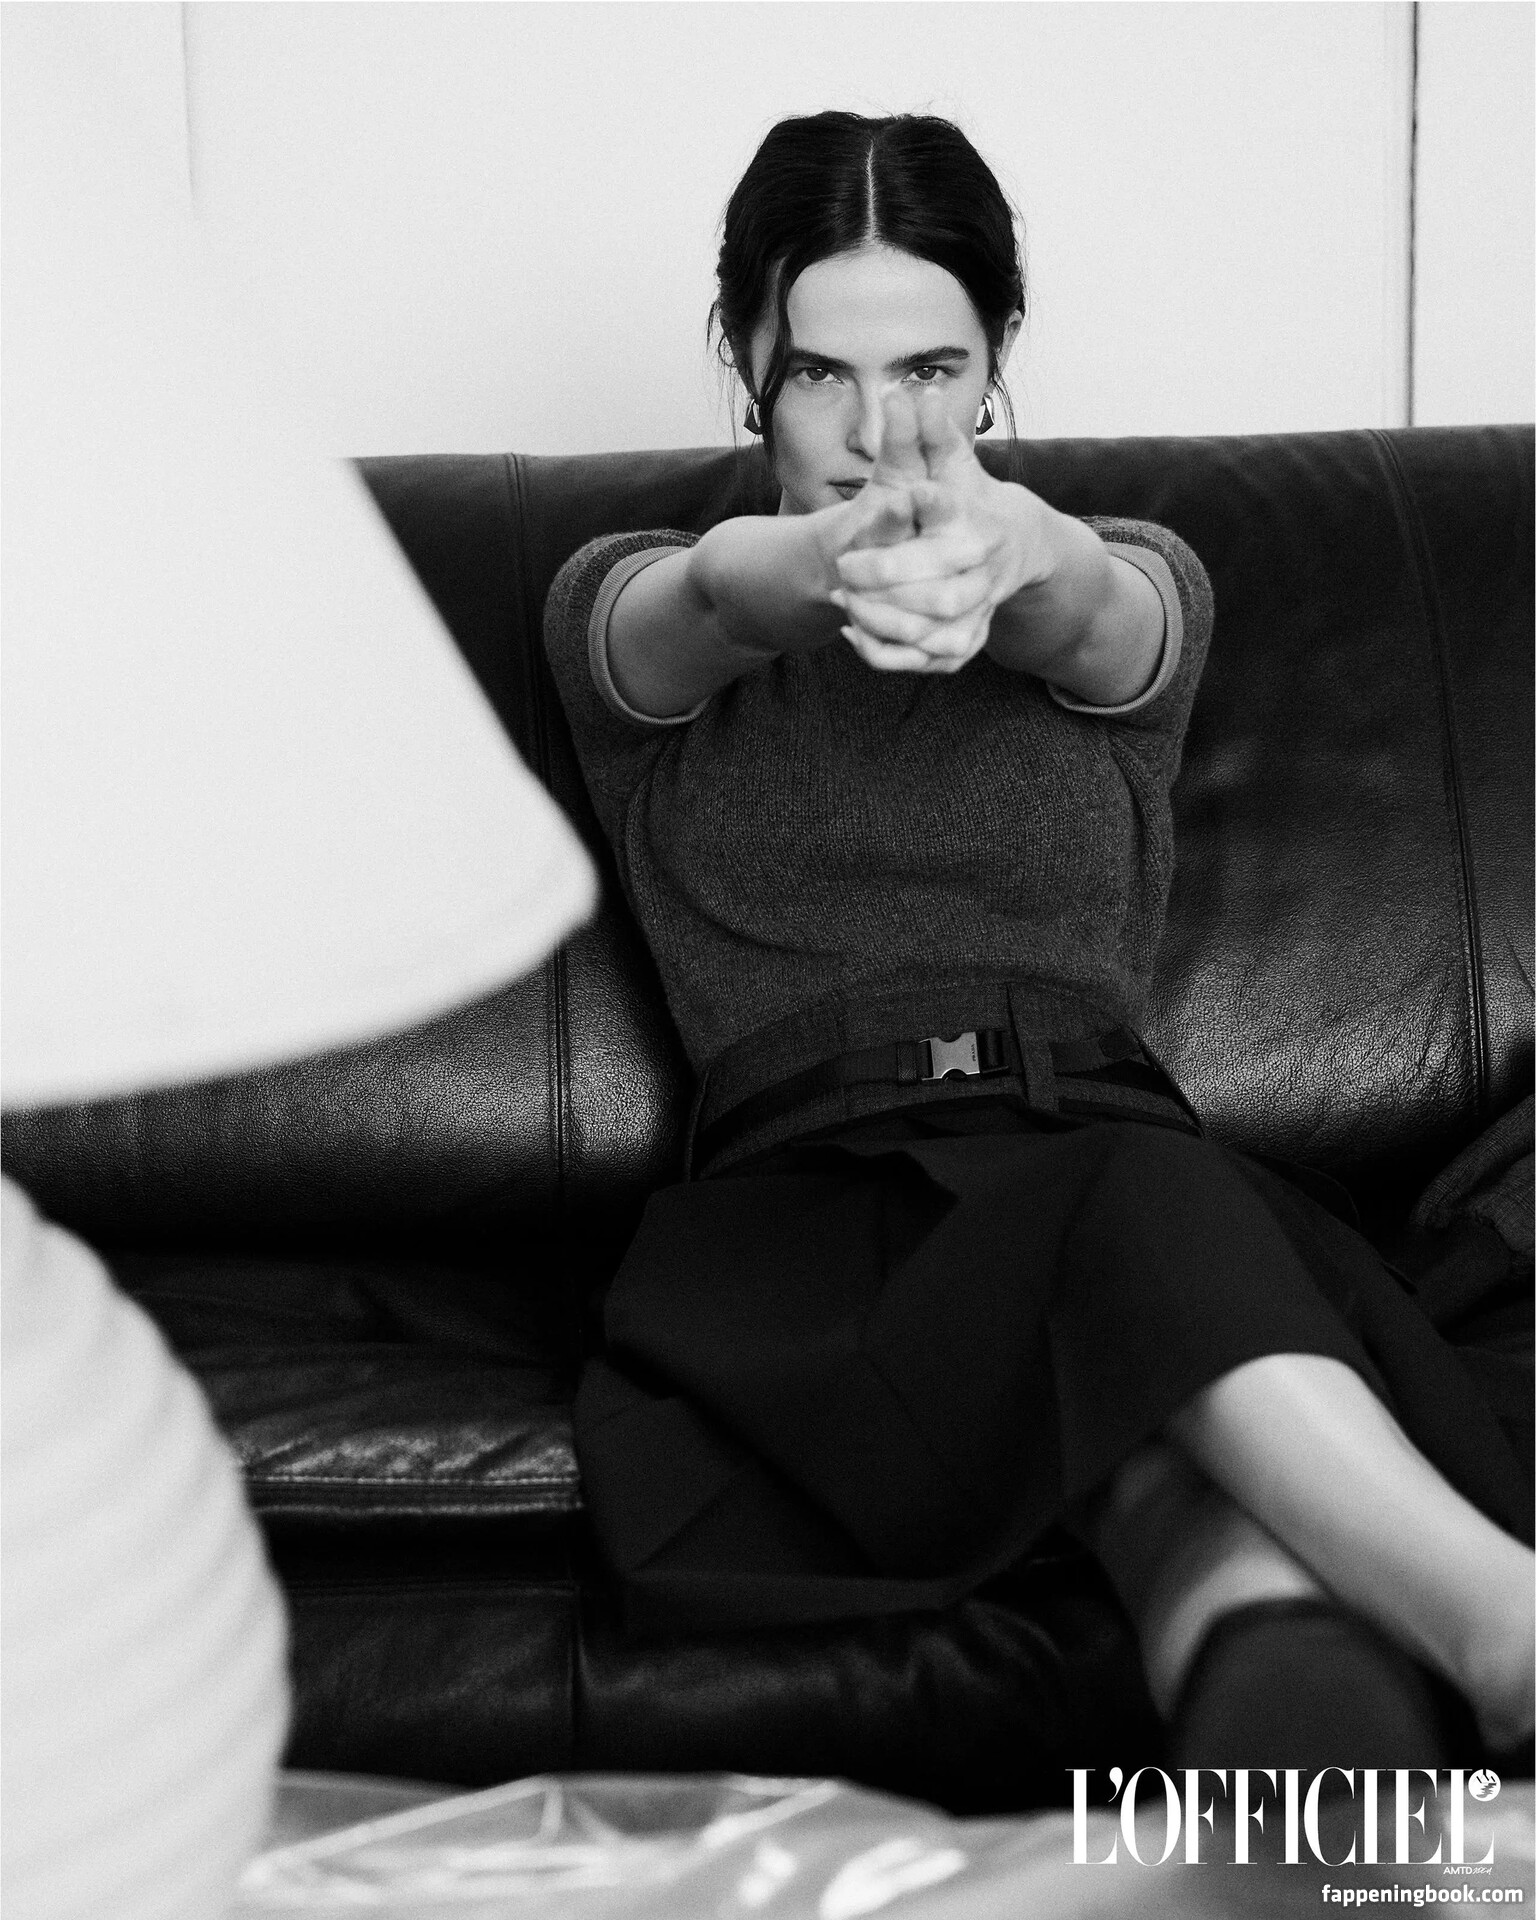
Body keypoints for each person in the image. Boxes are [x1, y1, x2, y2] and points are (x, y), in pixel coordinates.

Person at [544, 110, 1534, 1767]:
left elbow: (1088, 604)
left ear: (1000, 356)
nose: (884, 432)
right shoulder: (624, 600)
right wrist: (830, 564)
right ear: (744, 361)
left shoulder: (1134, 582)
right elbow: (715, 598)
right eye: (823, 374)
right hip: (825, 1232)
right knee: (1136, 1218)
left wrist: (1014, 551)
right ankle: (1507, 1632)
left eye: (932, 371)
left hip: (1118, 1177)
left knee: (1192, 1506)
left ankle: (1335, 1818)